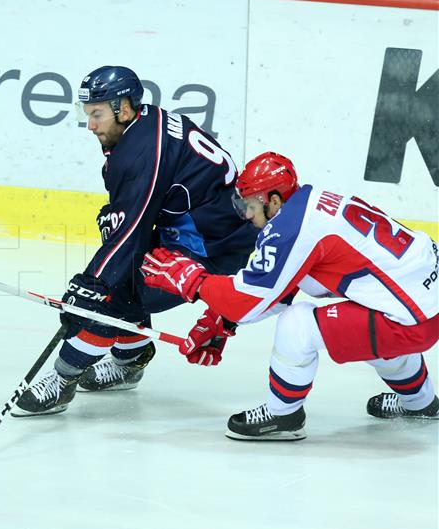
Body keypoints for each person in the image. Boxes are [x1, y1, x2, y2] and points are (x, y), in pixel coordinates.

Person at [12, 66, 258, 417]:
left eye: (97, 114)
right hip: (204, 233)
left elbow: (134, 228)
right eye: (88, 114)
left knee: (109, 294)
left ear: (123, 108)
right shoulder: (147, 123)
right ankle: (131, 357)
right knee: (119, 267)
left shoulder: (140, 151)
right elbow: (137, 218)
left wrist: (91, 284)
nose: (91, 125)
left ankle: (63, 379)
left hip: (209, 250)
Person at [141, 151, 439, 440]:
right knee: (378, 326)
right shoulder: (310, 202)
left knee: (298, 325)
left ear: (273, 200)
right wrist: (221, 320)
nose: (247, 215)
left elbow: (249, 301)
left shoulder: (289, 230)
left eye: (251, 206)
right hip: (423, 302)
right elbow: (285, 283)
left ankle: (284, 415)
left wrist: (192, 280)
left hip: (413, 319)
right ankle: (421, 403)